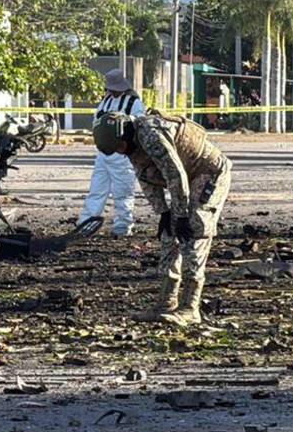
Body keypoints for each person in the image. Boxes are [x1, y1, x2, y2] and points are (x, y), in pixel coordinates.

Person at [92, 110, 233, 326]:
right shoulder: (131, 146)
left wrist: (183, 214)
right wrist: (164, 213)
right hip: (184, 178)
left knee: (195, 229)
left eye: (119, 147)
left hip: (208, 172)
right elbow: (146, 178)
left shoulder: (151, 135)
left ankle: (190, 308)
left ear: (124, 134)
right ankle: (166, 302)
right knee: (169, 233)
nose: (120, 152)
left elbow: (175, 173)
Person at [78, 69, 145, 236]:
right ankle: (86, 224)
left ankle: (123, 226)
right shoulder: (106, 101)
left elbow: (139, 123)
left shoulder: (133, 102)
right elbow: (97, 121)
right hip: (103, 154)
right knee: (96, 190)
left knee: (123, 193)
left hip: (122, 156)